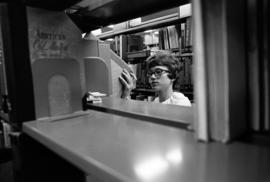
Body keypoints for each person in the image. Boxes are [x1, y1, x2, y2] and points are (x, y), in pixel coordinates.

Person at [119, 51, 191, 107]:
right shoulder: (156, 101)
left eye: (158, 72)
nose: (152, 77)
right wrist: (127, 93)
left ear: (173, 76)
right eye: (150, 73)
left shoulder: (180, 102)